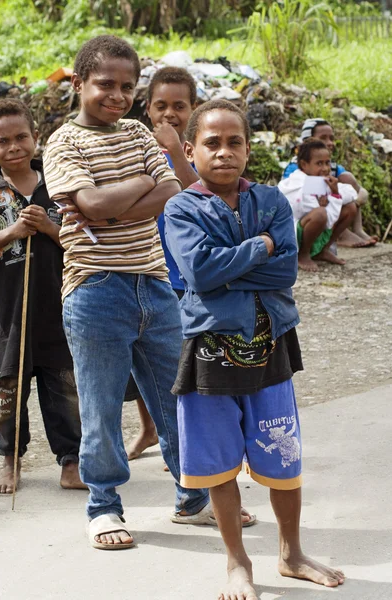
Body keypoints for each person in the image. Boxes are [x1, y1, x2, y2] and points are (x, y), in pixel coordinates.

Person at [43, 35, 222, 550]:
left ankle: (191, 496)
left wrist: (110, 207)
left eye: (127, 86)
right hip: (94, 288)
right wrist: (112, 201)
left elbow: (171, 191)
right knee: (100, 406)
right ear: (78, 84)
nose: (117, 96)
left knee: (177, 398)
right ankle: (103, 505)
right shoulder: (63, 143)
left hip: (155, 284)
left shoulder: (141, 133)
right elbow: (92, 204)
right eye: (105, 85)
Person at [165, 99, 345, 599]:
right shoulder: (181, 207)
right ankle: (237, 562)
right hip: (209, 352)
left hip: (271, 346)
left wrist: (233, 266)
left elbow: (285, 270)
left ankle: (291, 553)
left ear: (248, 148)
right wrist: (260, 247)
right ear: (189, 150)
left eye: (235, 142)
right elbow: (199, 272)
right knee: (218, 462)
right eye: (212, 143)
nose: (224, 152)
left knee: (283, 456)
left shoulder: (269, 202)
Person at [0, 98, 84, 494]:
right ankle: (9, 460)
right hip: (6, 309)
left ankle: (71, 460)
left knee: (63, 384)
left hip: (58, 302)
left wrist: (48, 227)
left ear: (35, 137)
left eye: (21, 137)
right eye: (2, 141)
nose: (14, 147)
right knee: (7, 387)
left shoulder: (59, 183)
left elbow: (85, 239)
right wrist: (12, 233)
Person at [125, 66, 199, 463]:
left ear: (193, 109)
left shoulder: (200, 150)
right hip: (143, 268)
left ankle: (196, 447)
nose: (169, 114)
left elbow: (199, 199)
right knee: (142, 362)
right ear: (147, 108)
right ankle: (149, 428)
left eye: (179, 106)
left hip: (186, 276)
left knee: (184, 365)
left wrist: (174, 151)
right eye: (160, 106)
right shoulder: (132, 146)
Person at [283, 117, 375, 248]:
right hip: (304, 219)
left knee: (347, 178)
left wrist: (354, 198)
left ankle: (357, 230)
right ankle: (340, 235)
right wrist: (340, 196)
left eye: (331, 138)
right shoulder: (295, 168)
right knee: (324, 208)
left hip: (325, 212)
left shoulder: (331, 166)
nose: (330, 142)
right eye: (323, 138)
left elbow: (355, 189)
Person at [278, 137, 358, 272]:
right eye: (319, 163)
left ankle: (323, 250)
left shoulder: (320, 180)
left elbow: (351, 193)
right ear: (304, 165)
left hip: (316, 224)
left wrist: (334, 194)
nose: (326, 168)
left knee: (350, 208)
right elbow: (323, 216)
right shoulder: (297, 183)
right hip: (293, 231)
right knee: (320, 214)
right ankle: (302, 254)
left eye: (327, 163)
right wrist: (333, 199)